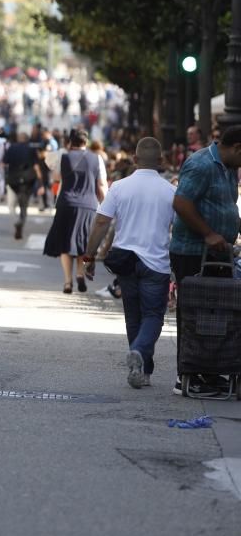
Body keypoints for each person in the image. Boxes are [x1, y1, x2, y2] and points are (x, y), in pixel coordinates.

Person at [83, 138, 174, 389]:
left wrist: (89, 257)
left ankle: (141, 366)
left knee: (133, 316)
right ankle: (140, 355)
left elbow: (101, 222)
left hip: (126, 261)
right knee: (154, 315)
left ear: (134, 160)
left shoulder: (119, 187)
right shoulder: (170, 191)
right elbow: (178, 229)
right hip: (156, 263)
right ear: (161, 161)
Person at [169, 124, 241, 396]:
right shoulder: (201, 164)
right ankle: (186, 373)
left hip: (217, 253)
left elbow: (223, 207)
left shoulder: (228, 168)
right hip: (193, 252)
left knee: (217, 313)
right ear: (237, 148)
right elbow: (181, 203)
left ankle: (208, 372)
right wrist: (209, 233)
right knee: (194, 313)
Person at [43, 129, 106, 294]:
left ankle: (67, 282)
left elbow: (55, 176)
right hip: (88, 205)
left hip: (66, 203)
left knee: (65, 243)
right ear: (86, 142)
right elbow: (101, 185)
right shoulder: (96, 159)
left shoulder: (64, 157)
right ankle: (80, 273)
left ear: (70, 142)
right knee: (82, 242)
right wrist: (105, 205)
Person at [3, 132, 42, 240]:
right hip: (28, 179)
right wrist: (40, 183)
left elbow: (4, 162)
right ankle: (21, 219)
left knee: (14, 202)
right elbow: (36, 166)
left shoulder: (11, 148)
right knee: (24, 204)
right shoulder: (31, 149)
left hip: (13, 180)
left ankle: (18, 220)